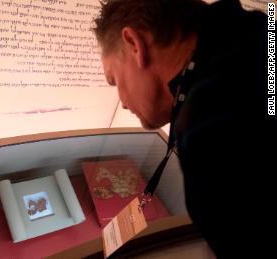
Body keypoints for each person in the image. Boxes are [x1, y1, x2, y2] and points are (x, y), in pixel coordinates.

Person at [93, 0, 276, 257]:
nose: (122, 102)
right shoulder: (257, 30)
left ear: (134, 44)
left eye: (114, 80)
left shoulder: (210, 128)